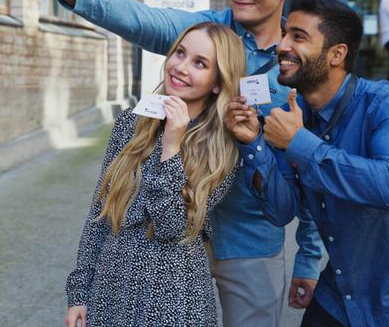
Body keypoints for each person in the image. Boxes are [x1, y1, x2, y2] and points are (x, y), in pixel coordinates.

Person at [45, 0, 324, 327]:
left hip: (248, 242)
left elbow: (310, 171)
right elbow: (142, 19)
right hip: (166, 247)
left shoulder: (298, 63)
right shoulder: (204, 30)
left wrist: (309, 258)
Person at [227, 0, 389, 326]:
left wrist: (298, 144)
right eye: (285, 34)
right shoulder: (294, 116)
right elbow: (281, 210)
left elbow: (388, 186)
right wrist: (253, 143)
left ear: (337, 54)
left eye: (298, 36)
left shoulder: (388, 105)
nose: (282, 46)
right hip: (339, 296)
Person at [65, 22, 295, 327]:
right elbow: (100, 213)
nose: (181, 67)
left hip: (174, 293)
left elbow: (171, 226)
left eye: (200, 63)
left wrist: (171, 147)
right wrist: (79, 292)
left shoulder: (223, 145)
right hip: (112, 285)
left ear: (217, 82)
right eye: (180, 53)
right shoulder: (130, 123)